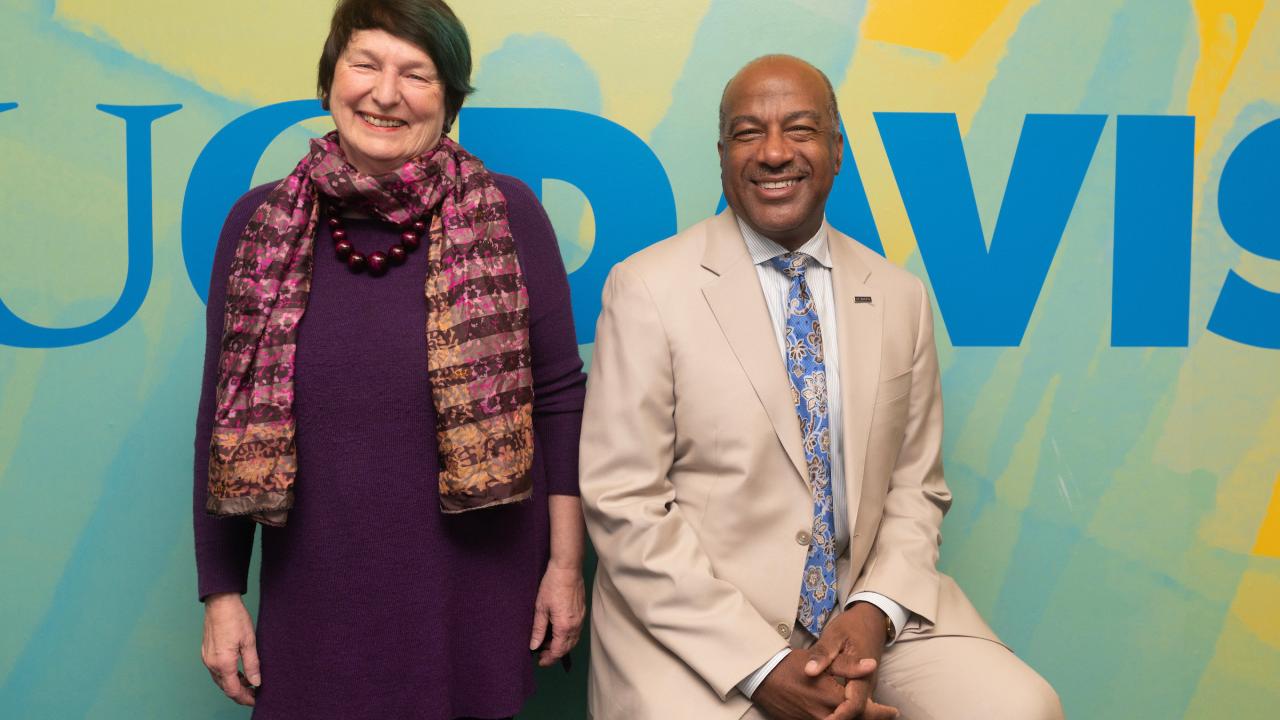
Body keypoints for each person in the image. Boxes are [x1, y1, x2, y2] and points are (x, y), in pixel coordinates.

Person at [579, 55, 1063, 720]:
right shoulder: (647, 289)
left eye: (800, 130)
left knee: (1020, 707)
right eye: (749, 133)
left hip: (860, 605)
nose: (775, 152)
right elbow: (624, 504)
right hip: (700, 623)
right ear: (722, 156)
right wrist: (762, 666)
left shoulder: (900, 298)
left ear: (837, 151)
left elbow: (916, 489)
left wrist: (873, 612)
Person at [193, 1, 587, 717]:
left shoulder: (509, 214)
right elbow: (220, 418)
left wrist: (565, 566)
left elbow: (559, 398)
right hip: (315, 596)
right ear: (329, 80)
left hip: (473, 596)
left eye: (417, 74)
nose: (384, 93)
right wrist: (222, 593)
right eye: (365, 64)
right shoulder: (258, 226)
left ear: (451, 100)